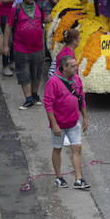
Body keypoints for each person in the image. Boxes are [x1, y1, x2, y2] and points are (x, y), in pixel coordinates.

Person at [43, 53, 90, 190]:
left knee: (77, 148)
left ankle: (78, 179)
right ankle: (58, 177)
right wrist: (55, 125)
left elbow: (81, 98)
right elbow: (48, 104)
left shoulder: (76, 79)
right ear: (64, 68)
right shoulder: (53, 82)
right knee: (57, 149)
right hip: (59, 124)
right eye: (73, 66)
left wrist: (85, 117)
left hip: (73, 121)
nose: (76, 68)